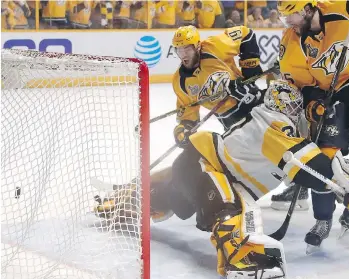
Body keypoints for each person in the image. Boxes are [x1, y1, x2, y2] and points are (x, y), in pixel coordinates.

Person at [95, 81, 349, 279]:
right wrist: (341, 190)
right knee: (228, 208)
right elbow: (309, 169)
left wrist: (342, 190)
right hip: (209, 165)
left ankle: (126, 201)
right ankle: (241, 257)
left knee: (173, 196)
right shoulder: (275, 124)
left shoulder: (268, 117)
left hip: (204, 165)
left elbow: (311, 166)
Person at [94, 25, 266, 224]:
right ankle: (151, 197)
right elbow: (187, 115)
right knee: (205, 162)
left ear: (197, 46)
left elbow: (246, 33)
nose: (183, 54)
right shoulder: (181, 81)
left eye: (187, 48)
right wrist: (182, 131)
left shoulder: (214, 48)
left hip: (257, 109)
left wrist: (250, 68)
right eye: (179, 49)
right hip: (232, 125)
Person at [274, 0, 349, 249]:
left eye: (291, 16)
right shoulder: (291, 39)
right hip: (330, 98)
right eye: (285, 19)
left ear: (307, 9)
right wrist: (313, 102)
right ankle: (323, 220)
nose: (289, 23)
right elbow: (301, 85)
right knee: (323, 158)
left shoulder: (339, 9)